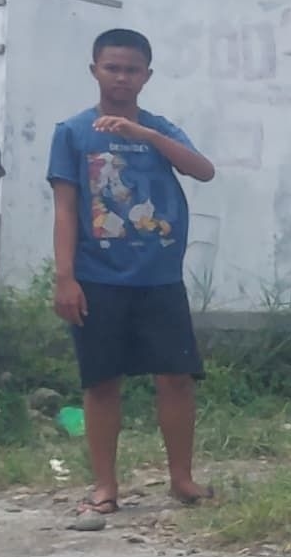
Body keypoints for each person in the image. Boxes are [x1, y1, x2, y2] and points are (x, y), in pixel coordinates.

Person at [46, 26, 221, 514]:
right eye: (112, 68)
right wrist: (65, 277)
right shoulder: (72, 132)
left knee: (177, 378)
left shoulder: (160, 130)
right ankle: (105, 487)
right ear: (95, 71)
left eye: (132, 70)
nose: (122, 78)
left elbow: (203, 170)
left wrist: (144, 135)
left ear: (147, 76)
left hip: (159, 276)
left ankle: (182, 480)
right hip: (97, 277)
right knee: (102, 382)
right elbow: (65, 208)